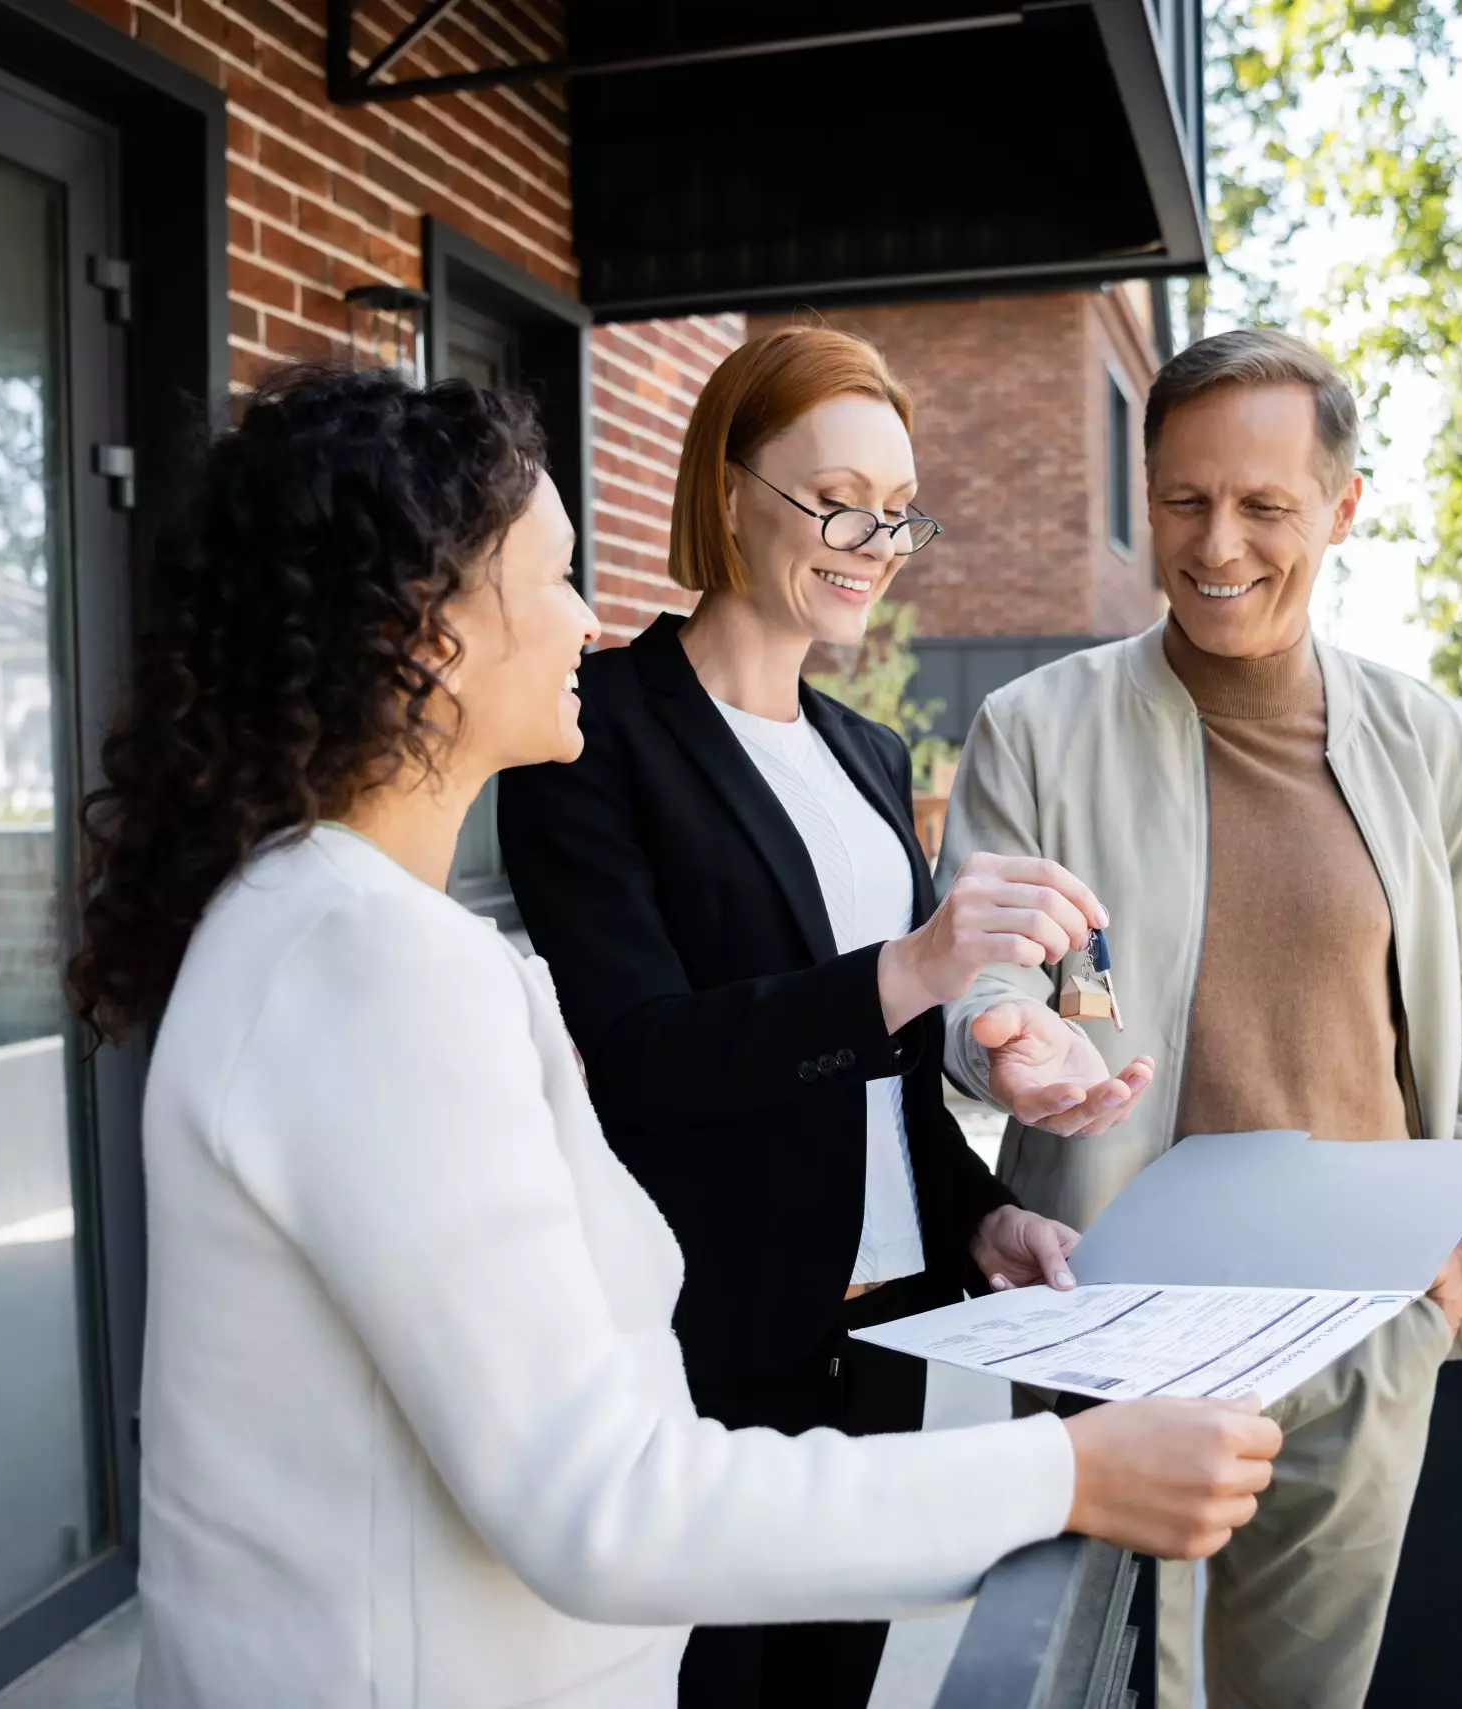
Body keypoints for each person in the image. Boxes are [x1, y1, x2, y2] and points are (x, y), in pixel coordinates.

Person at [71, 366, 1285, 1709]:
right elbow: (603, 1496)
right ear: (433, 634)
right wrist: (1073, 1472)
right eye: (554, 579)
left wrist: (972, 1209)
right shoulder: (372, 964)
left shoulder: (328, 925)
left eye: (898, 511)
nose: (590, 619)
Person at [496, 327, 1156, 1709]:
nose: (877, 539)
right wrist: (910, 970)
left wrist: (980, 1216)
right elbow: (634, 1062)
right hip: (700, 1341)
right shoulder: (593, 728)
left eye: (897, 510)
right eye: (838, 498)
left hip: (887, 1336)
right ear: (727, 487)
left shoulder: (868, 752)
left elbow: (887, 1083)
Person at [937, 328, 1462, 1709]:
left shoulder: (1433, 742)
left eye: (1266, 505)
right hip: (1116, 1325)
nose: (1219, 543)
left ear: (1341, 508)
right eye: (1183, 500)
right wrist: (1008, 1044)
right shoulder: (1034, 729)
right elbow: (984, 974)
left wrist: (1461, 1257)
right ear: (1144, 494)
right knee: (1114, 1685)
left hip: (1367, 1325)